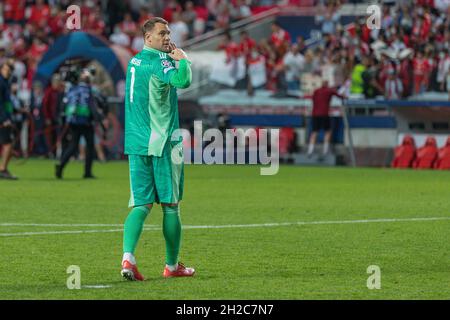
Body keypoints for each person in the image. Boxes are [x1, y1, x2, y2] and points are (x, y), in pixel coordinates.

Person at [121, 17, 194, 281]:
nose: (167, 37)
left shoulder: (134, 62)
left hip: (136, 143)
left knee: (140, 205)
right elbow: (183, 81)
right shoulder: (160, 61)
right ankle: (172, 267)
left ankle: (128, 259)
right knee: (171, 206)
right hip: (163, 142)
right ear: (148, 37)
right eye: (162, 33)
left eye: (169, 33)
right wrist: (182, 59)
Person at [55, 69, 100, 179]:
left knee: (73, 145)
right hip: (86, 122)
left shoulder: (72, 89)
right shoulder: (88, 90)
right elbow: (91, 106)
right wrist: (98, 119)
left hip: (73, 121)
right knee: (90, 146)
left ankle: (61, 165)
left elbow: (64, 105)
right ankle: (87, 172)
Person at [307, 80, 345, 157]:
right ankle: (325, 150)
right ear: (327, 85)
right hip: (324, 114)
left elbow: (312, 99)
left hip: (315, 114)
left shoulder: (316, 91)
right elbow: (340, 96)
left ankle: (310, 150)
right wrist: (345, 96)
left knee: (314, 132)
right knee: (327, 131)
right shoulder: (329, 91)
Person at [0, 60, 17, 180]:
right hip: (2, 119)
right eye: (7, 68)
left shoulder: (5, 82)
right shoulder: (1, 82)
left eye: (10, 68)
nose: (9, 70)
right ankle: (3, 169)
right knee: (8, 143)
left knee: (9, 143)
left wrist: (16, 110)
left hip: (5, 116)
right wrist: (4, 119)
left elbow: (6, 103)